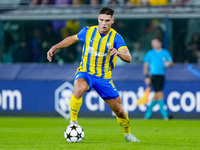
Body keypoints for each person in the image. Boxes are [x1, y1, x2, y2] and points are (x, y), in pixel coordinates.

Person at [47, 7, 140, 142]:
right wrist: (54, 47)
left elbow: (129, 57)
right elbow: (72, 39)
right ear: (98, 19)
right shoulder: (88, 31)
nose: (103, 23)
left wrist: (119, 53)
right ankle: (73, 124)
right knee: (78, 89)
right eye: (101, 20)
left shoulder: (116, 38)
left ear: (112, 21)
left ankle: (128, 134)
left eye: (107, 21)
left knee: (120, 111)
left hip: (103, 78)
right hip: (85, 72)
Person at [142, 37, 173, 120]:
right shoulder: (150, 53)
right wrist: (147, 76)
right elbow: (145, 66)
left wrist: (169, 64)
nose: (153, 44)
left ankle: (148, 115)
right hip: (153, 76)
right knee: (160, 93)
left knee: (156, 95)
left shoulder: (165, 53)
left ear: (160, 43)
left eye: (155, 42)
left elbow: (171, 63)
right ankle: (165, 115)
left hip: (162, 76)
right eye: (152, 43)